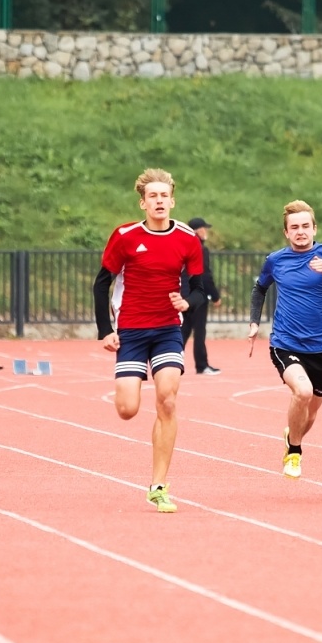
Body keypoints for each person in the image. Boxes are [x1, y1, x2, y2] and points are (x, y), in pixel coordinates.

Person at [92, 169, 205, 513]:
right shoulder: (125, 236)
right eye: (152, 196)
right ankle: (129, 381)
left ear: (172, 201)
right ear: (143, 203)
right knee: (127, 410)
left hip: (168, 328)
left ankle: (158, 485)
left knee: (167, 400)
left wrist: (188, 302)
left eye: (164, 196)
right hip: (131, 330)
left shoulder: (188, 239)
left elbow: (200, 289)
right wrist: (104, 330)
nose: (159, 201)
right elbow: (101, 284)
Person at [248, 200, 322, 479]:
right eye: (294, 227)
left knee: (309, 416)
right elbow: (259, 289)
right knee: (302, 391)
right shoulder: (276, 260)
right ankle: (295, 453)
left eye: (305, 226)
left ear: (314, 228)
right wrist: (254, 321)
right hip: (285, 342)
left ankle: (293, 433)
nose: (301, 232)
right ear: (286, 232)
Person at [181, 216, 222, 374]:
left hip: (186, 294)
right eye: (204, 229)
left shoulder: (185, 246)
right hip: (198, 295)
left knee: (185, 329)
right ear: (198, 231)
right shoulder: (200, 248)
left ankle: (171, 360)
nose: (206, 232)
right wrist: (215, 295)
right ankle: (202, 365)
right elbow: (204, 275)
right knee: (199, 331)